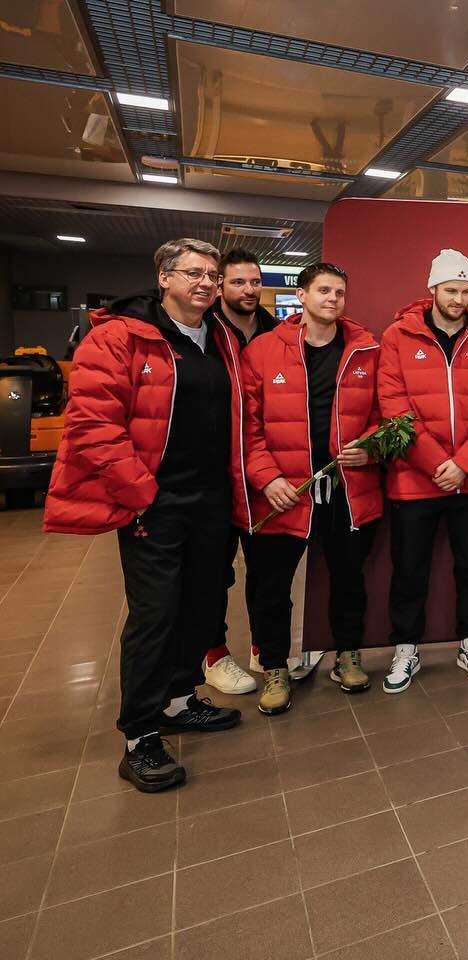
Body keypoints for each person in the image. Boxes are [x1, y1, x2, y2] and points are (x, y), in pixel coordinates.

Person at [45, 238, 243, 793]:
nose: (205, 283)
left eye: (211, 275)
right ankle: (140, 735)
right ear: (164, 277)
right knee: (155, 614)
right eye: (192, 273)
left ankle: (179, 701)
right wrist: (142, 492)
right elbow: (92, 424)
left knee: (201, 604)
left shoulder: (220, 337)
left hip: (210, 499)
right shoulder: (119, 337)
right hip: (155, 500)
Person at [240, 263, 383, 715]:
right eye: (323, 290)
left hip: (347, 490)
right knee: (271, 586)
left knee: (349, 578)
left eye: (339, 292)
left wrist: (371, 450)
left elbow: (385, 415)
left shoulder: (366, 349)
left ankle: (347, 655)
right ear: (301, 295)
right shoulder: (263, 351)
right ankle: (275, 668)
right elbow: (244, 427)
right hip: (284, 492)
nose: (332, 299)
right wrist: (268, 478)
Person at [378, 250, 468, 693]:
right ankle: (406, 647)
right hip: (415, 479)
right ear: (432, 289)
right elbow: (394, 406)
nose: (458, 299)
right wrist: (439, 464)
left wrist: (465, 464)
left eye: (466, 291)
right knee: (409, 569)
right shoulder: (398, 336)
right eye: (450, 290)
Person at [197, 248, 291, 697]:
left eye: (255, 281)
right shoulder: (205, 332)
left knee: (267, 571)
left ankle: (263, 648)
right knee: (214, 571)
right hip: (214, 470)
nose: (249, 290)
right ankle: (214, 654)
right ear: (220, 286)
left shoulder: (278, 334)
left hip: (262, 470)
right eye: (238, 282)